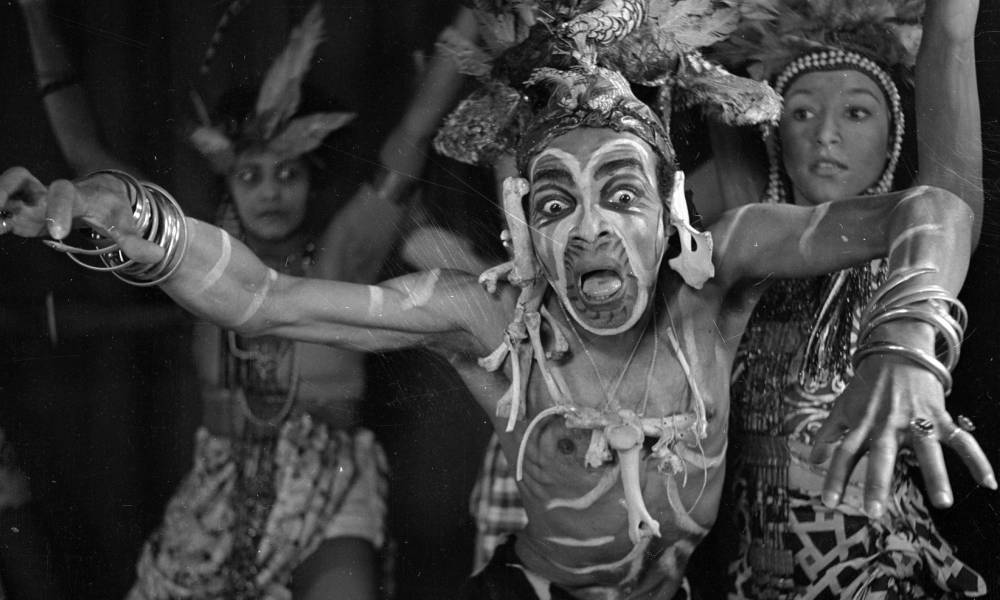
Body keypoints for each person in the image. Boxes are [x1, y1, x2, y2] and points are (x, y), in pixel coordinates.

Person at [1, 1, 995, 598]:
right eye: (556, 204)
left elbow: (932, 208)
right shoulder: (491, 317)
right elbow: (263, 296)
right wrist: (132, 220)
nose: (590, 230)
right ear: (521, 229)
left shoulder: (716, 279)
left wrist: (905, 340)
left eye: (620, 195)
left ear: (671, 215)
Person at [18, 1, 477, 597]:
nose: (271, 194)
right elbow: (89, 158)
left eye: (289, 174)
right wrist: (34, 15)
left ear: (313, 180)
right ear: (227, 181)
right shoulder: (197, 262)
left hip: (330, 488)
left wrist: (472, 18)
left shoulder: (342, 258)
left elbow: (411, 136)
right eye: (251, 174)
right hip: (218, 488)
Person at [692, 0, 987, 597]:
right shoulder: (742, 250)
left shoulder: (926, 244)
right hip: (750, 580)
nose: (825, 134)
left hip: (876, 572)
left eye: (856, 112)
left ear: (894, 131)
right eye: (801, 112)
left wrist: (906, 344)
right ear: (775, 133)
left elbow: (952, 39)